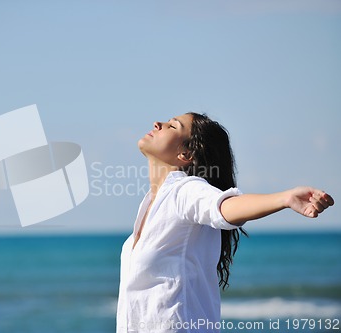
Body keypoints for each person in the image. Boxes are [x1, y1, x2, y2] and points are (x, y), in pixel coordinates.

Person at [116, 112, 334, 333]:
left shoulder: (185, 190)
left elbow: (224, 207)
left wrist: (284, 199)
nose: (158, 123)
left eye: (173, 126)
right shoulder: (152, 202)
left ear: (186, 153)